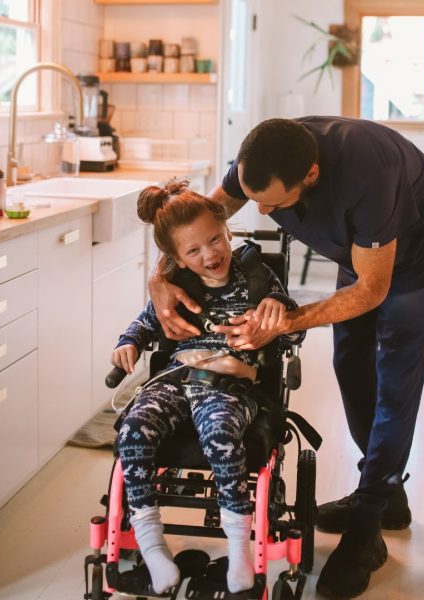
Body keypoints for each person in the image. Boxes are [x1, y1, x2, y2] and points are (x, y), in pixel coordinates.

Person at [149, 117, 424, 599]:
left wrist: (286, 320)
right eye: (254, 198)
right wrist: (160, 277)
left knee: (393, 386)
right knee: (350, 365)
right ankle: (387, 494)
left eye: (271, 204)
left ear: (310, 177)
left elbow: (372, 289)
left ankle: (366, 526)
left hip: (414, 261)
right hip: (357, 258)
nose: (261, 210)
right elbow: (197, 220)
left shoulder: (366, 179)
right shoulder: (262, 158)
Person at [113, 180, 304, 594]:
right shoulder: (178, 285)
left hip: (230, 386)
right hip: (178, 379)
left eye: (215, 240)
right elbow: (145, 322)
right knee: (132, 429)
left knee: (219, 432)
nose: (210, 255)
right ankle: (151, 546)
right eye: (193, 251)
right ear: (175, 258)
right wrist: (128, 342)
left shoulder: (256, 275)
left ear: (226, 229)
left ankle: (238, 551)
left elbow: (290, 329)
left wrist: (279, 314)